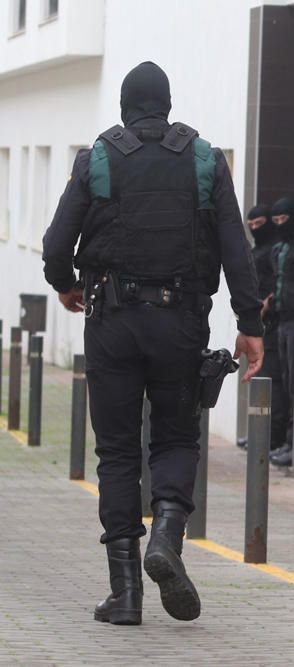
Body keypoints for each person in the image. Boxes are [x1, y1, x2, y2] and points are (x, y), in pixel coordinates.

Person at [41, 61, 264, 625]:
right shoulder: (205, 160)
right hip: (181, 321)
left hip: (112, 320)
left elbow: (55, 245)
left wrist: (67, 285)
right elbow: (237, 250)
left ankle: (125, 594)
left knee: (116, 451)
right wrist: (249, 324)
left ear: (124, 107)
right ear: (166, 105)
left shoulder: (97, 158)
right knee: (174, 437)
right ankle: (166, 534)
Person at [241, 203, 290, 452]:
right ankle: (262, 434)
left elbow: (277, 282)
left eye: (259, 224)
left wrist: (266, 304)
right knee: (260, 378)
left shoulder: (273, 251)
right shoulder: (258, 250)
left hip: (270, 322)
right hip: (257, 323)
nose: (255, 229)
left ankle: (273, 437)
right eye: (251, 226)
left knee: (272, 381)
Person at [268, 197, 294, 468]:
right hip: (282, 319)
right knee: (284, 380)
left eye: (283, 220)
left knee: (292, 385)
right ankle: (285, 441)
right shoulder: (281, 248)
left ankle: (292, 440)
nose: (279, 225)